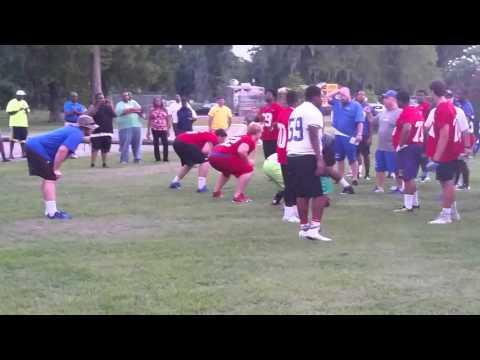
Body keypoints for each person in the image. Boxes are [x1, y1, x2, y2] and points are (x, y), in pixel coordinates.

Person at [25, 115, 98, 219]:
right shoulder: (77, 134)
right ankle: (52, 213)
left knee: (48, 178)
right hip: (37, 148)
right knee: (50, 178)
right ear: (85, 127)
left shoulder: (74, 130)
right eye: (91, 128)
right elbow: (62, 150)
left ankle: (49, 210)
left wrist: (54, 168)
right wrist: (55, 169)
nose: (92, 130)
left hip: (34, 146)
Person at [287, 85, 331, 242]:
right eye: (321, 97)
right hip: (307, 154)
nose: (322, 101)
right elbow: (313, 135)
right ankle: (314, 228)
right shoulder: (313, 111)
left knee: (301, 194)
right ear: (315, 97)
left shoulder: (296, 110)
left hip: (292, 154)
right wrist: (319, 158)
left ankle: (304, 228)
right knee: (320, 194)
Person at [425, 80, 463, 224]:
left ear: (433, 91)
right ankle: (452, 211)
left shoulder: (443, 108)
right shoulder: (449, 106)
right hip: (450, 150)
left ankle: (446, 215)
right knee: (445, 181)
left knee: (447, 182)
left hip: (446, 152)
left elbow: (445, 134)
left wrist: (436, 157)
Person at [426, 90, 472, 190]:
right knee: (445, 179)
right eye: (446, 96)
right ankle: (449, 200)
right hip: (439, 147)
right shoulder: (435, 110)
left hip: (452, 148)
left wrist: (467, 147)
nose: (448, 98)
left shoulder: (459, 111)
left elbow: (465, 130)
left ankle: (449, 201)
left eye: (450, 96)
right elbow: (427, 127)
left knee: (451, 176)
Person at [208, 123, 262, 203]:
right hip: (222, 156)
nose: (261, 134)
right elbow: (241, 151)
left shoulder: (242, 137)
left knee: (226, 172)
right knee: (248, 170)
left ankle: (216, 192)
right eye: (261, 132)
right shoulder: (248, 139)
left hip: (213, 155)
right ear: (257, 133)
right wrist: (248, 162)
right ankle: (238, 196)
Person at [391, 90, 424, 213]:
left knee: (407, 177)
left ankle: (408, 206)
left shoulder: (408, 111)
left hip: (409, 147)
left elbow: (407, 128)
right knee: (410, 177)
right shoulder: (416, 111)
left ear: (400, 101)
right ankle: (415, 203)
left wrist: (400, 144)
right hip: (415, 146)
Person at [328, 87, 365, 187]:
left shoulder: (356, 105)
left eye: (344, 96)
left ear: (349, 95)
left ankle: (354, 177)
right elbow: (327, 97)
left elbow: (360, 122)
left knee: (352, 158)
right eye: (341, 96)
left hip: (350, 136)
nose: (342, 98)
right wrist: (338, 90)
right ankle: (340, 177)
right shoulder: (337, 103)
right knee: (339, 158)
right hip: (338, 135)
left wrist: (359, 134)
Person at [369, 90, 403, 193]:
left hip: (392, 147)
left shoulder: (399, 113)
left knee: (396, 169)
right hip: (381, 147)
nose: (384, 100)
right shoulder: (383, 113)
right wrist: (367, 112)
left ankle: (401, 187)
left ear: (393, 99)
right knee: (379, 168)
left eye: (386, 98)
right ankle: (379, 187)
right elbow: (372, 121)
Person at [276, 91, 300, 220]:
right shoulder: (293, 114)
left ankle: (292, 210)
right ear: (296, 101)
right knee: (292, 183)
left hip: (281, 149)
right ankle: (288, 213)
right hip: (289, 150)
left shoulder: (281, 113)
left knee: (289, 182)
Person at [88, 93, 116, 168]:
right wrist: (97, 106)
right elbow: (90, 114)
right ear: (96, 99)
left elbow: (114, 115)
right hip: (96, 131)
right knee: (95, 148)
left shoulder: (108, 106)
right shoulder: (93, 107)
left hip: (107, 130)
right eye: (100, 98)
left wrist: (110, 104)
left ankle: (104, 163)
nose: (101, 99)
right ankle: (92, 164)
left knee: (105, 148)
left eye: (102, 98)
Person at [115, 91, 143, 164]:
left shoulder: (133, 102)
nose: (126, 97)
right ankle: (124, 159)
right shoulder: (119, 104)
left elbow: (140, 109)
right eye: (124, 96)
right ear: (121, 97)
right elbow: (120, 112)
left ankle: (137, 158)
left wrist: (132, 110)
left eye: (127, 95)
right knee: (125, 143)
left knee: (137, 143)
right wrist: (133, 110)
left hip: (136, 125)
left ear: (129, 96)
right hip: (125, 126)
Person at [257, 88, 283, 159]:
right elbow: (260, 120)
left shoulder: (278, 107)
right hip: (265, 136)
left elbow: (281, 120)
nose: (267, 96)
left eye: (269, 94)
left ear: (274, 96)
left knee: (274, 158)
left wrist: (273, 125)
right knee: (267, 158)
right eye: (266, 94)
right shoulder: (263, 108)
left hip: (274, 137)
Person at [6, 90, 30, 159]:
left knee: (23, 139)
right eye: (21, 96)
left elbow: (27, 112)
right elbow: (10, 113)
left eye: (23, 96)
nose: (22, 97)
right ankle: (11, 154)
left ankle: (23, 153)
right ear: (17, 96)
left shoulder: (24, 102)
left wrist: (25, 109)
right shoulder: (12, 102)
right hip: (14, 123)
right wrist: (19, 110)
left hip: (23, 124)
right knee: (13, 139)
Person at [146, 96, 171, 162]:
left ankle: (165, 158)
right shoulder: (152, 110)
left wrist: (168, 130)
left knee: (165, 143)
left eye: (159, 101)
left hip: (163, 129)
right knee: (156, 144)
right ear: (154, 102)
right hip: (155, 129)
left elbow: (168, 120)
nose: (158, 102)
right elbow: (149, 120)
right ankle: (157, 158)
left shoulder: (165, 109)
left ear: (161, 102)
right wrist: (148, 131)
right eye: (156, 101)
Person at [355, 90, 373, 180]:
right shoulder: (354, 105)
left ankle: (367, 174)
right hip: (356, 134)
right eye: (360, 94)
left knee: (366, 155)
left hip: (365, 134)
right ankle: (357, 172)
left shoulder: (367, 106)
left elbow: (371, 122)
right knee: (356, 154)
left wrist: (370, 136)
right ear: (356, 95)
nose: (362, 96)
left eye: (363, 94)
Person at [63, 91, 87, 159]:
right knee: (67, 138)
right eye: (73, 96)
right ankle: (67, 153)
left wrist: (77, 112)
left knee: (75, 138)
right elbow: (67, 113)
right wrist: (73, 112)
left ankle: (73, 152)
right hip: (68, 123)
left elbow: (84, 113)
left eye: (76, 96)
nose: (74, 98)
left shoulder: (80, 105)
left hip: (77, 123)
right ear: (70, 97)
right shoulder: (67, 104)